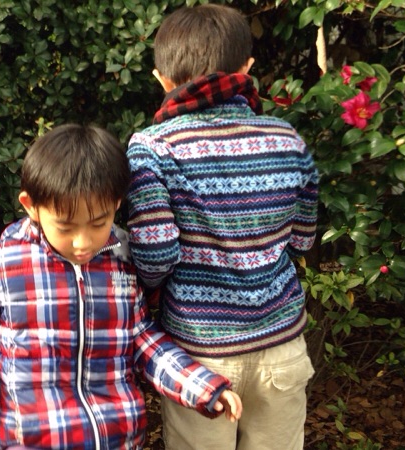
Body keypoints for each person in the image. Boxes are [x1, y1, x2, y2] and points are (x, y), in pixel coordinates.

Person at [0, 123, 242, 450]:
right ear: (30, 204)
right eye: (65, 227)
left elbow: (141, 337)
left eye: (98, 224)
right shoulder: (3, 260)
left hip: (118, 437)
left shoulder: (121, 260)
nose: (82, 243)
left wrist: (201, 386)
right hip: (36, 438)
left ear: (116, 203)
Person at [125, 4, 320, 450]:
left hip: (200, 356)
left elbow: (155, 256)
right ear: (247, 68)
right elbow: (303, 239)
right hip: (281, 343)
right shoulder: (289, 139)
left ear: (161, 80)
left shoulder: (153, 147)